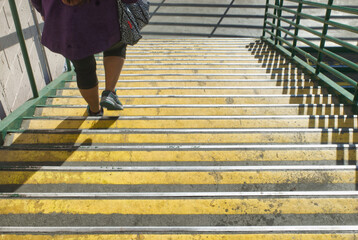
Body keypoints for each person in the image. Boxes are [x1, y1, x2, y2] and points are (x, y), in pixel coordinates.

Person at [31, 0, 138, 116]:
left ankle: (95, 110)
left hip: (66, 20)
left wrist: (42, 10)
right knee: (116, 46)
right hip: (104, 14)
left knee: (84, 69)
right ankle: (109, 92)